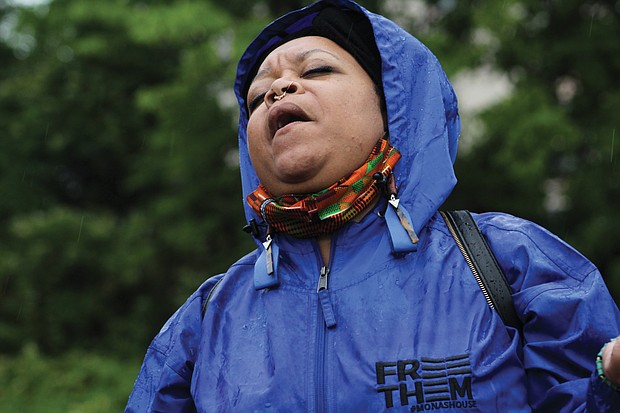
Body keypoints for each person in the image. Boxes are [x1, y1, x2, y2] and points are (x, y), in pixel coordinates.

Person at [125, 0, 620, 411]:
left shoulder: (509, 261)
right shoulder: (207, 318)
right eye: (257, 99)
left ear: (391, 108)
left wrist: (611, 382)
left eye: (317, 69)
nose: (277, 89)